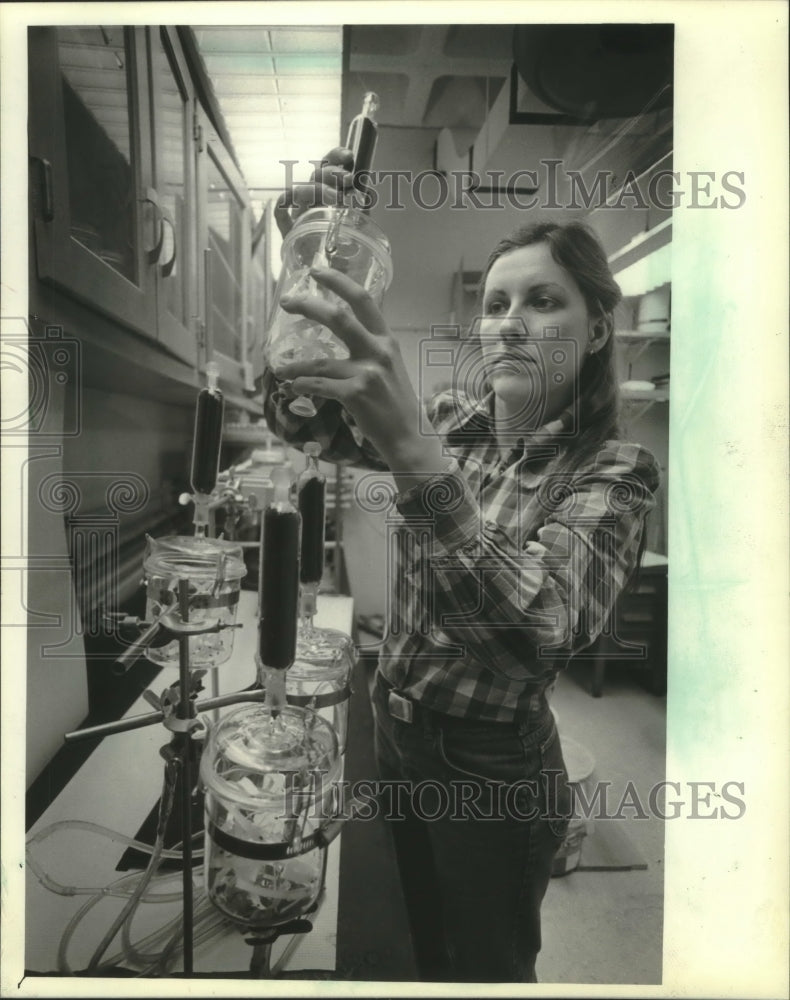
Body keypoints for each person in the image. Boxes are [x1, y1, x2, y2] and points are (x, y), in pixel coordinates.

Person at [263, 149, 660, 982]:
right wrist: (308, 264)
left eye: (544, 301)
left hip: (491, 768)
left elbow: (534, 639)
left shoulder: (612, 471)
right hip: (393, 724)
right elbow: (303, 424)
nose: (510, 322)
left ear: (595, 332)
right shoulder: (456, 424)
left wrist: (414, 455)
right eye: (497, 302)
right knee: (410, 936)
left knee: (484, 965)